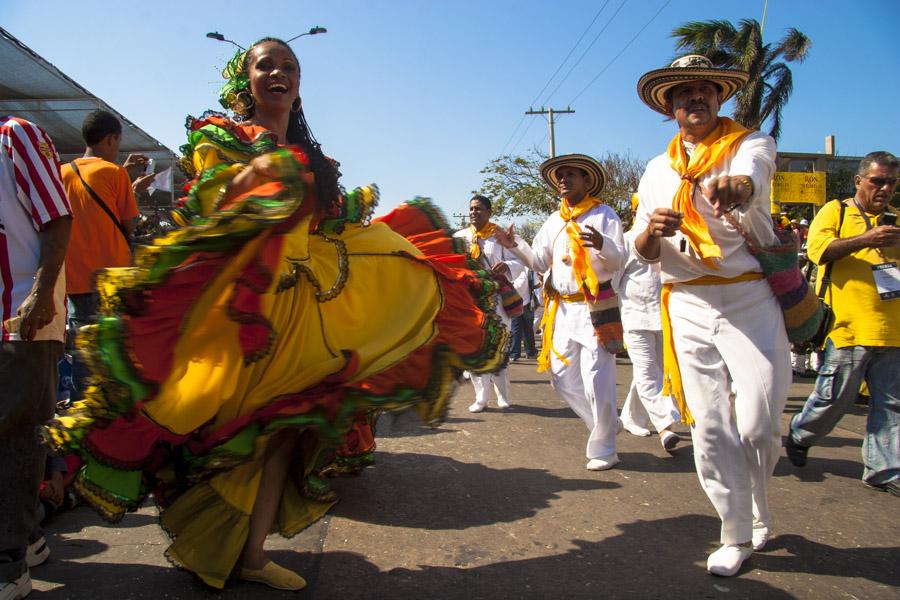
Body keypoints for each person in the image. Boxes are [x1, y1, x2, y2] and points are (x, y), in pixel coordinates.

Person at [47, 38, 506, 591]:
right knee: (213, 418)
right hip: (246, 305)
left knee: (280, 427)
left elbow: (329, 220)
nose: (279, 73)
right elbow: (217, 205)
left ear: (299, 82)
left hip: (308, 302)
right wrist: (261, 188)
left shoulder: (313, 154)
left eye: (289, 66)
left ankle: (252, 554)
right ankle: (209, 538)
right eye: (266, 65)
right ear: (247, 81)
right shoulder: (225, 136)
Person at [632, 55, 790, 576]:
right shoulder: (656, 170)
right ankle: (736, 532)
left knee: (760, 425)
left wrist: (737, 188)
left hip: (749, 296)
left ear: (719, 97)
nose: (693, 98)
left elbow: (753, 178)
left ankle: (759, 505)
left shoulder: (750, 143)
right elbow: (644, 252)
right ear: (669, 107)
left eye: (704, 89)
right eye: (682, 93)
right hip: (688, 301)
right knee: (712, 428)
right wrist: (652, 230)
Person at [495, 154, 625, 471]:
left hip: (595, 305)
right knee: (561, 378)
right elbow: (539, 262)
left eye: (570, 175)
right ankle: (604, 423)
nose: (563, 180)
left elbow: (619, 258)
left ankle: (605, 447)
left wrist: (602, 244)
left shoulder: (604, 214)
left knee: (597, 379)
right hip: (562, 310)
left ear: (586, 181)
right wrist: (514, 245)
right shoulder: (554, 221)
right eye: (560, 176)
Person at [786, 151, 900, 496]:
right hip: (848, 326)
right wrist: (866, 239)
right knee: (834, 398)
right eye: (877, 181)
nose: (884, 188)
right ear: (859, 180)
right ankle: (800, 434)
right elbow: (818, 251)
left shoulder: (896, 219)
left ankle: (883, 470)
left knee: (892, 404)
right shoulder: (837, 211)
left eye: (891, 182)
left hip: (892, 330)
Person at [0, 116, 72, 600]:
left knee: (13, 433)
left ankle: (8, 564)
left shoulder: (15, 134)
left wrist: (41, 293)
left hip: (20, 313)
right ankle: (26, 538)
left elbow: (57, 216)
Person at [60, 109, 154, 399]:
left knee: (84, 350)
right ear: (112, 139)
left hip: (75, 279)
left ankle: (83, 412)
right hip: (113, 279)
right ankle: (113, 415)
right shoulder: (114, 173)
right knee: (117, 349)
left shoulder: (61, 173)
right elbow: (130, 223)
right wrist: (132, 188)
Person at [611, 194, 681, 450]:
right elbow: (614, 283)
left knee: (655, 373)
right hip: (635, 317)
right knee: (646, 372)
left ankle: (631, 416)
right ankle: (665, 427)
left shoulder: (671, 240)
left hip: (665, 318)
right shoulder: (626, 241)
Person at [454, 195, 523, 411]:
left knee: (498, 347)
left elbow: (520, 261)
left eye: (479, 209)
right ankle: (481, 398)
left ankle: (503, 396)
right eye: (472, 209)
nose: (474, 212)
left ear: (489, 212)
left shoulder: (499, 236)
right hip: (471, 300)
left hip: (498, 300)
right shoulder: (460, 237)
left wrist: (506, 266)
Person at [509, 267, 538, 360]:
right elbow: (536, 284)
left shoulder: (509, 268)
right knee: (528, 329)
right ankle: (530, 352)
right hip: (527, 303)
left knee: (516, 329)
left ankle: (514, 354)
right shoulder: (529, 269)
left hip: (515, 302)